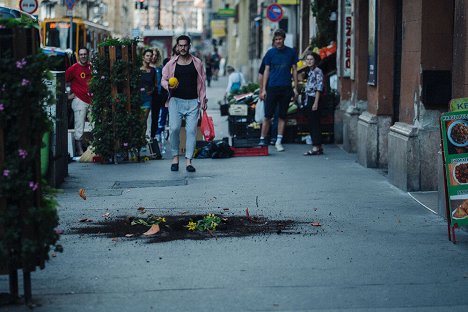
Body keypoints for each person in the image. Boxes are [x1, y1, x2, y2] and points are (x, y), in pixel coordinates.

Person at [161, 35, 208, 173]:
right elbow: (163, 79)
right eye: (180, 45)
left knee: (191, 131)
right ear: (177, 46)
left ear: (189, 46)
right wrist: (168, 86)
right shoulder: (171, 63)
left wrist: (203, 100)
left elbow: (202, 83)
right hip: (175, 101)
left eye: (185, 45)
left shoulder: (197, 63)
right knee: (174, 128)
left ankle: (188, 161)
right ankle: (175, 157)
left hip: (193, 102)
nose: (182, 48)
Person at [259, 29, 299, 152]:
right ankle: (262, 139)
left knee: (282, 116)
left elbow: (295, 71)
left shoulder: (291, 52)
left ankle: (278, 141)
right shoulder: (270, 53)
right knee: (267, 116)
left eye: (280, 39)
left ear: (283, 39)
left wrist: (296, 88)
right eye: (276, 39)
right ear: (274, 41)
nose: (278, 41)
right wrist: (263, 89)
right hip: (272, 88)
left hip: (286, 88)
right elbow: (266, 70)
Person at [65, 47, 92, 156]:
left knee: (95, 124)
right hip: (79, 100)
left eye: (85, 54)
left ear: (88, 55)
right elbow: (63, 80)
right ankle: (79, 149)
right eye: (81, 54)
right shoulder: (73, 68)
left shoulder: (91, 67)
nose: (83, 56)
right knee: (79, 125)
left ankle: (92, 148)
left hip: (92, 100)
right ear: (78, 56)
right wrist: (68, 96)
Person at [303, 52, 324, 156]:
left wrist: (315, 103)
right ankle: (318, 146)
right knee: (312, 123)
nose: (309, 61)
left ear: (315, 60)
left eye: (311, 59)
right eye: (307, 59)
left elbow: (319, 88)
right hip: (309, 99)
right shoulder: (310, 71)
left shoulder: (317, 71)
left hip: (314, 99)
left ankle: (316, 147)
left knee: (314, 124)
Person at [140, 49, 156, 137]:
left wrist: (152, 90)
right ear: (143, 57)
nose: (149, 58)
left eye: (151, 56)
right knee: (139, 120)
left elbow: (155, 84)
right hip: (138, 97)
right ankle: (138, 139)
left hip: (147, 98)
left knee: (144, 119)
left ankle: (142, 139)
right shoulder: (138, 70)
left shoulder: (153, 70)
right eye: (147, 56)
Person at [150, 48, 163, 140]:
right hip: (146, 96)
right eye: (152, 55)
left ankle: (153, 136)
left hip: (157, 96)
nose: (153, 57)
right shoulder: (145, 67)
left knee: (155, 117)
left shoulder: (160, 68)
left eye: (156, 55)